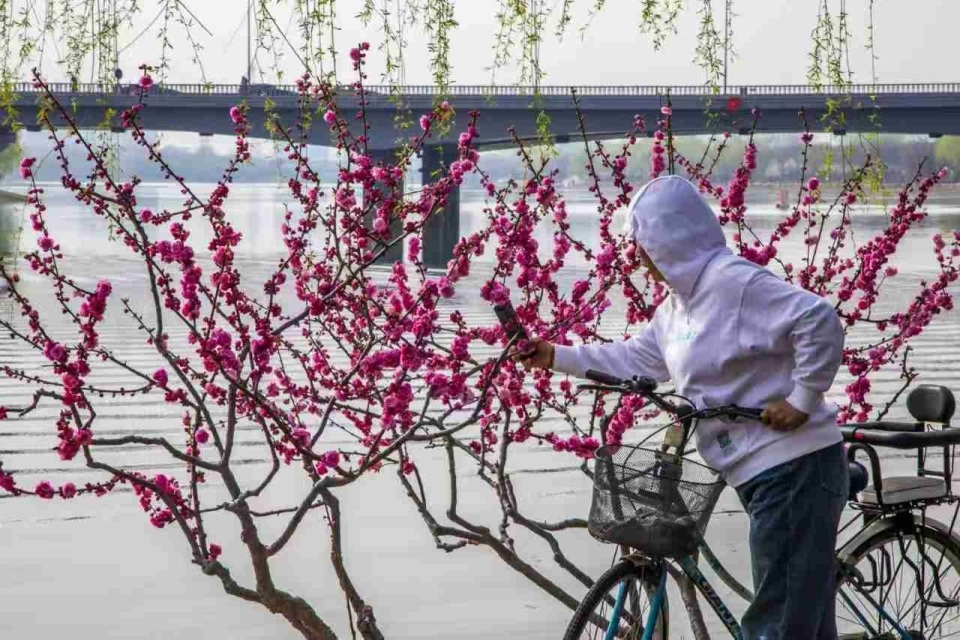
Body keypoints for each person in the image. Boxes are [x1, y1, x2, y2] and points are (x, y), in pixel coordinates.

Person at [521, 175, 848, 639]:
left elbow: (817, 319)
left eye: (643, 243)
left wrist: (801, 399)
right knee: (799, 624)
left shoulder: (733, 282)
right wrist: (555, 356)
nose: (637, 256)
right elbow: (636, 358)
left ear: (670, 239)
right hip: (754, 471)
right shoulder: (676, 309)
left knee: (775, 626)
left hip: (793, 466)